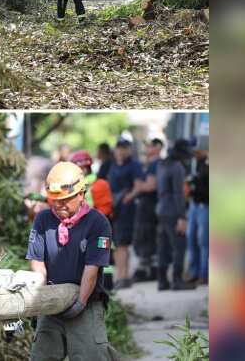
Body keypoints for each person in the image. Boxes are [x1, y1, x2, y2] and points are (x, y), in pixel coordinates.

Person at [27, 161, 113, 361]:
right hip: (51, 305)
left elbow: (91, 269)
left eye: (65, 199)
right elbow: (38, 262)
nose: (59, 204)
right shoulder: (43, 220)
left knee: (90, 356)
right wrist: (41, 297)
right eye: (55, 200)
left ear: (81, 194)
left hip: (86, 303)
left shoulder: (98, 223)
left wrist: (80, 303)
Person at [156, 139, 196, 291]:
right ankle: (177, 280)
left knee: (163, 246)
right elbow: (179, 194)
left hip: (161, 209)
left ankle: (162, 281)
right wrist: (182, 217)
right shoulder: (177, 167)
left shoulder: (161, 165)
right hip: (173, 211)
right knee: (180, 245)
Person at [108, 138, 142, 289]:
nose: (121, 151)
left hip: (126, 209)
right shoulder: (113, 165)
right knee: (116, 244)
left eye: (124, 148)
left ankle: (123, 276)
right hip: (113, 208)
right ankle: (122, 276)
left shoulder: (134, 165)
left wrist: (127, 198)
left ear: (129, 149)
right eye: (118, 148)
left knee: (122, 244)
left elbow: (138, 186)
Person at [131, 137, 164, 282]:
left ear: (158, 147)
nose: (147, 149)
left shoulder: (155, 164)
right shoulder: (153, 164)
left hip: (149, 205)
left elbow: (151, 186)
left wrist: (138, 186)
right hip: (150, 205)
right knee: (148, 237)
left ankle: (146, 271)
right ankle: (152, 270)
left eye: (150, 146)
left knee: (145, 237)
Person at [184, 135, 209, 285]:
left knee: (203, 241)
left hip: (205, 205)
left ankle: (204, 274)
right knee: (191, 238)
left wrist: (193, 184)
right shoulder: (197, 163)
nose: (194, 153)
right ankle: (194, 272)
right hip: (194, 204)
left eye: (197, 150)